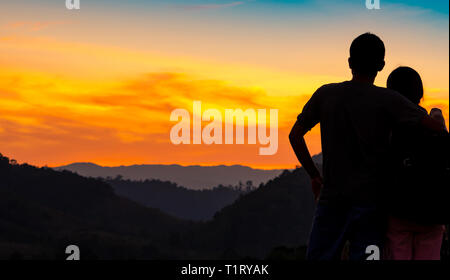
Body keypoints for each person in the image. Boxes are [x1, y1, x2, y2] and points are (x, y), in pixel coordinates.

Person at [289, 33, 445, 260]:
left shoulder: (326, 94)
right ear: (381, 65)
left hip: (331, 203)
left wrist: (314, 175)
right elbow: (435, 128)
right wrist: (437, 114)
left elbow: (295, 135)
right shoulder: (388, 99)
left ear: (350, 62)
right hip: (371, 208)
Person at [383, 67, 447, 260]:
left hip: (397, 212)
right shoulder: (436, 126)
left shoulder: (388, 127)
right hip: (433, 214)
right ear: (420, 93)